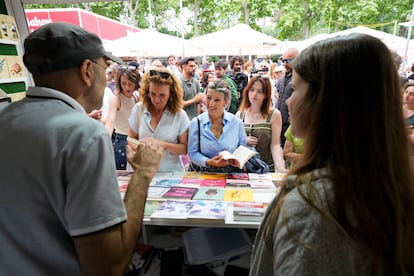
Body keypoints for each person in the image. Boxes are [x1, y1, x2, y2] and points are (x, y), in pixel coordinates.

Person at [0, 22, 163, 275]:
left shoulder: (5, 117)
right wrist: (142, 174)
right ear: (87, 70)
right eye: (105, 67)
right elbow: (107, 267)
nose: (108, 78)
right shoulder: (84, 134)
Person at [250, 33, 414, 275]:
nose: (288, 101)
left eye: (295, 89)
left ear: (324, 101)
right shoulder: (385, 183)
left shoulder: (314, 209)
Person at [128, 68, 190, 172]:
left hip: (171, 174)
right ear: (147, 91)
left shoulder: (180, 115)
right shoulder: (139, 109)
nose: (156, 100)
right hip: (142, 172)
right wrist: (139, 147)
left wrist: (162, 144)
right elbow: (130, 139)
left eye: (162, 95)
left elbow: (184, 148)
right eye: (153, 94)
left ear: (171, 94)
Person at [188, 79, 247, 173]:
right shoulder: (196, 123)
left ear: (225, 102)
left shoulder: (236, 123)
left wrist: (237, 159)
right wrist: (208, 162)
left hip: (231, 175)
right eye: (208, 98)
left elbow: (244, 148)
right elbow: (192, 153)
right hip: (204, 174)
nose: (211, 103)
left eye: (217, 100)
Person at [235, 76, 286, 172]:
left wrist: (280, 168)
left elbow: (275, 145)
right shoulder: (239, 115)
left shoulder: (274, 114)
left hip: (266, 170)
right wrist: (244, 140)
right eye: (252, 90)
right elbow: (232, 143)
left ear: (266, 95)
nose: (254, 94)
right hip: (243, 170)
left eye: (260, 91)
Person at [105, 64, 141, 170]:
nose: (127, 87)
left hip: (136, 140)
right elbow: (110, 122)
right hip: (122, 140)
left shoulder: (136, 96)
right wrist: (105, 140)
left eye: (130, 84)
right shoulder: (115, 99)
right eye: (123, 83)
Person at [276, 47, 299, 147]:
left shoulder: (302, 79)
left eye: (288, 60)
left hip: (293, 125)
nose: (285, 63)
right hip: (279, 123)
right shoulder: (281, 80)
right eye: (283, 60)